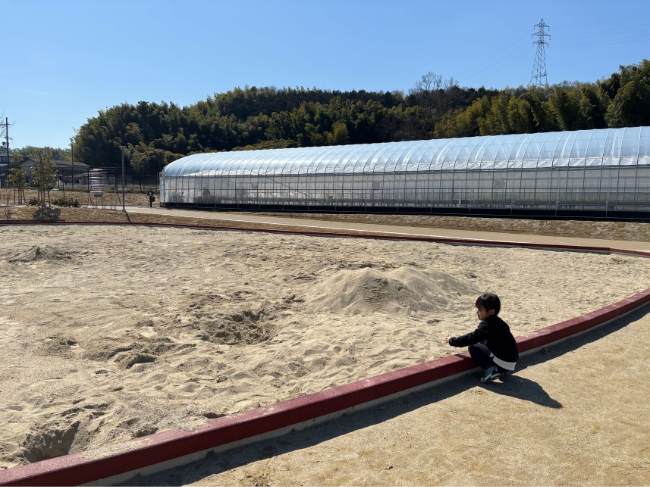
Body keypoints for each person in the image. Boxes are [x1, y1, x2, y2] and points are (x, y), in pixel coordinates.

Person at [445, 293, 519, 383]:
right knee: (482, 342)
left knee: (473, 347)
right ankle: (500, 370)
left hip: (504, 362)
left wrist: (452, 341)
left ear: (491, 311)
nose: (477, 312)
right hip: (512, 361)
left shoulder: (487, 325)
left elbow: (470, 338)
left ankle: (490, 370)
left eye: (480, 309)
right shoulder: (500, 322)